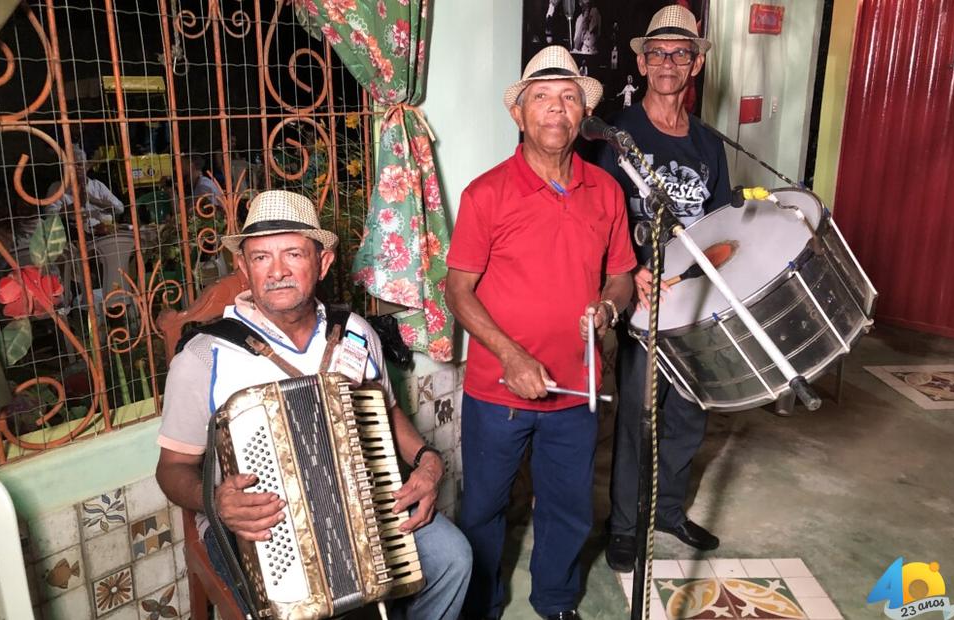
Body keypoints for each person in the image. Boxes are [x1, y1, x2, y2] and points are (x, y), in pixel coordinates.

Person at [155, 190, 471, 619]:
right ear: (244, 268)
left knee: (453, 558)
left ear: (322, 263)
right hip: (258, 524)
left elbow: (387, 411)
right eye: (261, 258)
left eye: (293, 254)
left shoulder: (356, 331)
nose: (277, 271)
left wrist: (428, 460)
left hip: (365, 496)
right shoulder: (203, 357)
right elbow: (171, 468)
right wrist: (216, 501)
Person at [446, 46, 636, 620]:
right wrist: (509, 355)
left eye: (569, 97)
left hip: (577, 387)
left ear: (583, 114)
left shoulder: (606, 191)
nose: (557, 109)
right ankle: (480, 603)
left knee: (569, 506)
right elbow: (457, 290)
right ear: (520, 114)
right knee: (483, 508)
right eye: (542, 98)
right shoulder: (486, 194)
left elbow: (623, 274)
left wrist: (608, 307)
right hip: (496, 392)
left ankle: (555, 602)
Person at [596, 5, 731, 571]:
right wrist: (629, 271)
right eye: (657, 53)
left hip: (695, 299)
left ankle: (668, 512)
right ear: (643, 63)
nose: (668, 63)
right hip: (645, 301)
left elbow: (724, 228)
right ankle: (625, 524)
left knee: (688, 416)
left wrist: (716, 275)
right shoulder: (616, 134)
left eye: (680, 52)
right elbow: (596, 221)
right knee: (639, 418)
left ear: (696, 64)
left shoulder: (709, 144)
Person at [45, 147, 125, 231]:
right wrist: (75, 206)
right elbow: (50, 215)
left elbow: (120, 208)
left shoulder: (96, 185)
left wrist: (92, 198)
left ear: (86, 167)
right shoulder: (56, 188)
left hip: (104, 231)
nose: (76, 169)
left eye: (79, 164)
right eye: (71, 165)